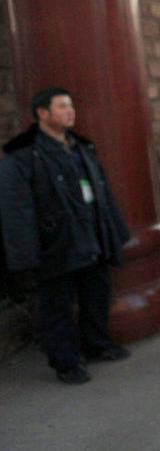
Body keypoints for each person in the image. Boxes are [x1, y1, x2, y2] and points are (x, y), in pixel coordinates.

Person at [0, 88, 130, 384]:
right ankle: (66, 362)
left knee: (96, 294)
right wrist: (26, 253)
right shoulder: (24, 154)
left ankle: (97, 344)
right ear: (42, 113)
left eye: (71, 105)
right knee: (56, 307)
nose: (70, 111)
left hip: (91, 236)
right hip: (55, 243)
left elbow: (102, 192)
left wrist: (113, 231)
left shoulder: (80, 146)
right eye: (62, 106)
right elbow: (16, 208)